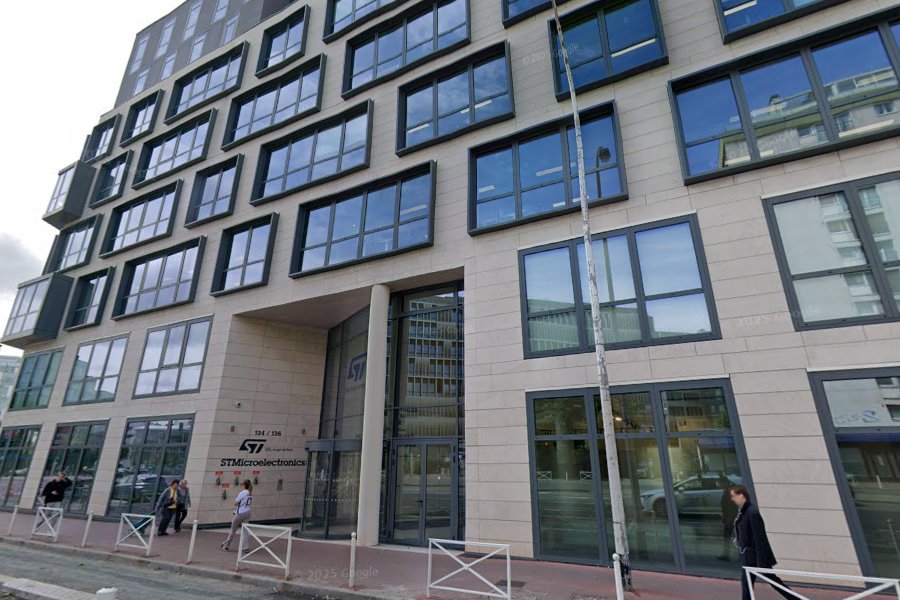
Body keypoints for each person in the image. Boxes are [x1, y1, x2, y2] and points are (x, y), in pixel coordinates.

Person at [730, 485, 794, 600]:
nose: (732, 499)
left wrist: (762, 562)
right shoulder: (743, 511)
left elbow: (760, 538)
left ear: (742, 495)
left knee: (771, 580)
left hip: (755, 556)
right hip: (748, 556)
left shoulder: (752, 512)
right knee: (747, 584)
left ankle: (795, 598)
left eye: (733, 496)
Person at [221, 479, 253, 552]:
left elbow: (235, 503)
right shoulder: (250, 493)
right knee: (245, 531)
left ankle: (226, 545)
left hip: (240, 513)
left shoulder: (242, 493)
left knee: (233, 530)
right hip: (247, 512)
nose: (241, 486)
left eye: (242, 484)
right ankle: (245, 548)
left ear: (244, 485)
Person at [717, 476, 738, 561]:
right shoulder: (727, 490)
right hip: (729, 518)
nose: (718, 484)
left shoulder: (729, 492)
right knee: (728, 537)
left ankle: (726, 555)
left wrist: (729, 519)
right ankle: (726, 555)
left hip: (730, 518)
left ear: (724, 483)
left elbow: (731, 507)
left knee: (727, 537)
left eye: (719, 483)